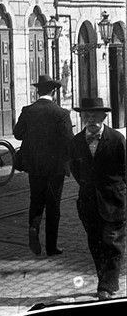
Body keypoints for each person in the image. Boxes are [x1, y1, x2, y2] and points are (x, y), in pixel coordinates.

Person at [69, 96, 126, 300]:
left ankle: (106, 286)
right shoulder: (76, 142)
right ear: (82, 117)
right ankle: (106, 281)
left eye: (95, 115)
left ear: (103, 116)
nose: (91, 119)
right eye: (87, 115)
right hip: (88, 201)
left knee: (112, 242)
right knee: (95, 242)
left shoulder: (117, 139)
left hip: (114, 200)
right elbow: (76, 169)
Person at [14, 75, 73, 256]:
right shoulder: (61, 113)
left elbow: (17, 134)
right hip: (55, 168)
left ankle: (34, 227)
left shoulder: (28, 110)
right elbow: (69, 141)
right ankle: (51, 247)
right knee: (53, 205)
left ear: (38, 91)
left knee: (36, 200)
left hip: (34, 165)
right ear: (53, 92)